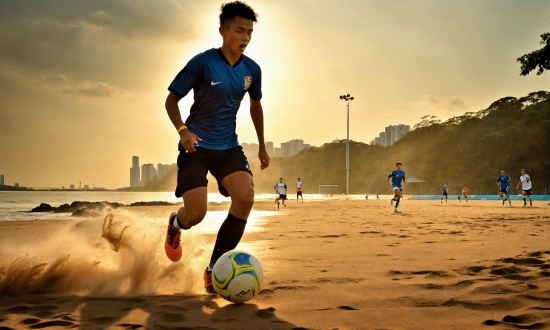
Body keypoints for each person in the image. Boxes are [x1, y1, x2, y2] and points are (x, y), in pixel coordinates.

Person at [163, 1, 270, 295]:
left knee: (245, 198)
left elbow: (255, 106)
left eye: (249, 32)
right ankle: (175, 223)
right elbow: (171, 100)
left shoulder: (252, 70)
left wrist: (261, 145)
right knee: (195, 215)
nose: (245, 37)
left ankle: (213, 270)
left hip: (228, 148)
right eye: (239, 30)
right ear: (223, 30)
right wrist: (183, 131)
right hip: (195, 146)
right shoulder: (203, 63)